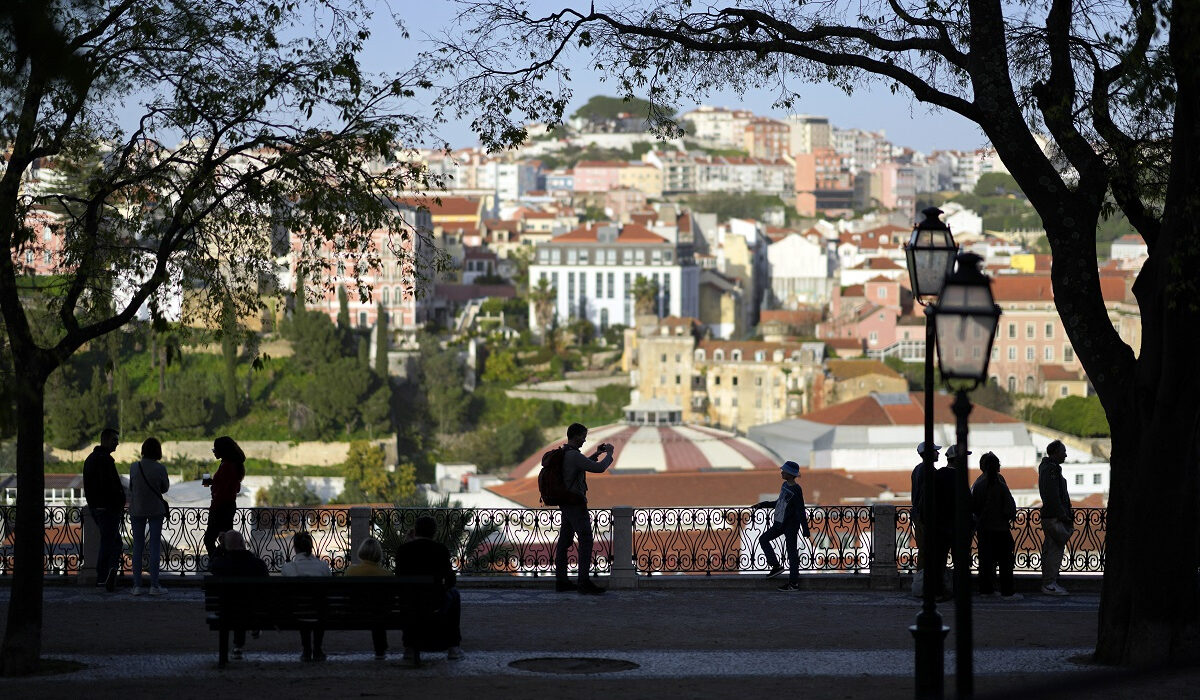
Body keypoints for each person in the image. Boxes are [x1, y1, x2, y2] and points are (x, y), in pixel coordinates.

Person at [555, 422, 614, 595]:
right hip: (575, 502)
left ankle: (562, 581)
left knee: (565, 541)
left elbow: (583, 464)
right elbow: (599, 468)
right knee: (586, 539)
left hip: (566, 501)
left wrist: (596, 453)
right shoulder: (573, 455)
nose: (584, 440)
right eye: (583, 436)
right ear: (575, 436)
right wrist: (609, 454)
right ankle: (583, 582)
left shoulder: (566, 453)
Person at [394, 516, 462, 662]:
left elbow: (398, 577)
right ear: (434, 532)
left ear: (415, 531)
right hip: (435, 604)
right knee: (455, 595)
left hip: (408, 604)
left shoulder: (403, 550)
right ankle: (453, 647)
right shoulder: (440, 550)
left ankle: (409, 648)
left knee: (410, 602)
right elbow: (451, 581)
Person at [753, 460, 811, 592]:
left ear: (790, 474)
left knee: (791, 553)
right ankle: (776, 566)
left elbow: (800, 509)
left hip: (791, 525)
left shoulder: (796, 489)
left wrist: (805, 529)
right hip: (780, 523)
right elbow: (779, 503)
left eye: (784, 471)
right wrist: (762, 504)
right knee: (763, 539)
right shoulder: (784, 485)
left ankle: (793, 583)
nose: (782, 472)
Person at [209, 530, 269, 660]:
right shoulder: (258, 564)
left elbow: (210, 565)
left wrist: (220, 547)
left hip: (227, 611)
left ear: (225, 546)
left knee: (234, 602)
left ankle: (236, 647)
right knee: (244, 602)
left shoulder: (220, 565)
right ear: (243, 543)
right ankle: (245, 636)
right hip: (254, 611)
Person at [971, 451, 1021, 600]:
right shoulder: (1000, 485)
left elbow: (974, 507)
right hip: (1000, 529)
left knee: (986, 561)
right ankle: (1007, 591)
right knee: (1005, 562)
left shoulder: (978, 485)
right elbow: (1010, 508)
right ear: (997, 467)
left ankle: (986, 590)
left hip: (984, 529)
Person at [83, 428, 125, 592]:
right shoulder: (104, 461)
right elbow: (110, 486)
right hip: (107, 508)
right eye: (115, 440)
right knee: (111, 542)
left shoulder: (91, 459)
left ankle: (107, 574)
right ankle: (105, 576)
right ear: (106, 440)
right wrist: (117, 503)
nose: (117, 443)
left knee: (112, 541)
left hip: (97, 507)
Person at [281, 530, 331, 661]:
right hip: (320, 613)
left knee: (302, 606)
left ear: (295, 548)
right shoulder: (323, 566)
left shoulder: (288, 568)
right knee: (317, 606)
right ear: (311, 547)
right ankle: (318, 648)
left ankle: (306, 649)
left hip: (298, 613)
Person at [929, 444, 971, 601]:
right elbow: (968, 502)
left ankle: (938, 592)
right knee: (960, 561)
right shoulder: (960, 478)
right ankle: (959, 592)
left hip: (939, 525)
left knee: (938, 561)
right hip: (957, 526)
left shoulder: (937, 475)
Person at [129, 437, 170, 596]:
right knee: (154, 547)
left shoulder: (134, 467)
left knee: (137, 547)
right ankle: (154, 585)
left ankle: (137, 586)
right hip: (155, 509)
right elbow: (164, 488)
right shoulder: (160, 468)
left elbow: (132, 487)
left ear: (143, 450)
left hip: (137, 509)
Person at [346, 537, 393, 660]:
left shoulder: (351, 571)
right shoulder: (386, 575)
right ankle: (380, 650)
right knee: (378, 611)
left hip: (355, 613)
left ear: (361, 552)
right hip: (381, 614)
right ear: (379, 554)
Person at [1039, 440, 1073, 596]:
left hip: (1051, 515)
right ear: (1055, 453)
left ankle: (1048, 582)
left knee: (1051, 549)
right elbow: (1053, 496)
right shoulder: (1051, 471)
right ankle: (1049, 583)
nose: (1065, 454)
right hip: (1054, 517)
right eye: (1063, 451)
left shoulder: (1047, 469)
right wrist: (1063, 515)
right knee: (1054, 550)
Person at [203, 435, 246, 559]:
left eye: (215, 448)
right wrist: (215, 483)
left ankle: (218, 564)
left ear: (222, 450)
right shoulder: (230, 465)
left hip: (221, 507)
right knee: (227, 541)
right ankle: (227, 565)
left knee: (209, 540)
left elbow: (223, 491)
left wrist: (213, 510)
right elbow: (231, 486)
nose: (214, 451)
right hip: (227, 506)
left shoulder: (227, 466)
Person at [910, 441, 941, 584]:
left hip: (917, 515)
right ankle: (927, 584)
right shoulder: (931, 471)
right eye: (935, 451)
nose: (938, 453)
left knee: (923, 551)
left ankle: (920, 583)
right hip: (926, 517)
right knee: (930, 551)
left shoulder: (917, 469)